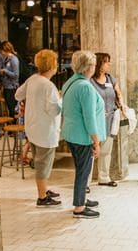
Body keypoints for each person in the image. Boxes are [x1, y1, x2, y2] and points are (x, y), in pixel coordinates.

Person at [60, 50, 106, 219]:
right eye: (94, 64)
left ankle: (82, 199)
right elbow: (89, 117)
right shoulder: (85, 87)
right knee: (83, 171)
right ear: (89, 67)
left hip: (71, 132)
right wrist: (96, 141)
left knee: (82, 169)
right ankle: (79, 207)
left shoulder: (71, 82)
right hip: (82, 136)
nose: (95, 67)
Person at [15, 49, 63, 207]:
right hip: (45, 130)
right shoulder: (48, 86)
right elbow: (54, 110)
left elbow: (18, 95)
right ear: (52, 66)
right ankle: (42, 197)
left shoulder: (33, 79)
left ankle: (44, 189)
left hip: (33, 127)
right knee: (43, 164)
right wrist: (60, 100)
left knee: (39, 161)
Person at [89, 52, 124, 187]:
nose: (109, 64)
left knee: (106, 150)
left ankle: (104, 177)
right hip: (95, 119)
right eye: (106, 62)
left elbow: (118, 93)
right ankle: (86, 181)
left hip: (110, 118)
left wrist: (122, 104)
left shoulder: (110, 79)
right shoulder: (90, 81)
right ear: (99, 63)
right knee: (92, 150)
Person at [0, 40, 20, 118]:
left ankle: (14, 126)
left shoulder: (14, 60)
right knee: (10, 109)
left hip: (12, 87)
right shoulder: (7, 59)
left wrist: (5, 71)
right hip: (7, 86)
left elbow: (16, 75)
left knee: (13, 109)